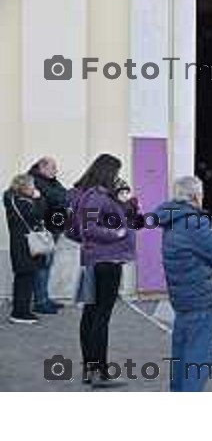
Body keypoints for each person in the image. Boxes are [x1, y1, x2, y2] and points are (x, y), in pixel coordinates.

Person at [156, 176, 212, 392]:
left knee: (182, 354)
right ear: (196, 196)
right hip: (201, 297)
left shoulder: (173, 219)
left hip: (182, 296)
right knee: (199, 359)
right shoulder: (194, 223)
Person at [69, 154, 136, 384]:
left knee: (91, 315)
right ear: (108, 172)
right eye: (116, 172)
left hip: (96, 261)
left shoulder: (93, 195)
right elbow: (88, 228)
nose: (118, 177)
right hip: (105, 262)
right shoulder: (97, 196)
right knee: (100, 317)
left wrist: (125, 201)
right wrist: (116, 233)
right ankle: (100, 372)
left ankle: (91, 370)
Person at [3, 174, 45, 324]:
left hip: (24, 244)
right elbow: (38, 214)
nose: (34, 189)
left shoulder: (14, 198)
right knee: (24, 278)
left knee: (25, 278)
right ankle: (19, 313)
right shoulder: (17, 201)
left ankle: (22, 310)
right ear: (23, 187)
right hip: (23, 245)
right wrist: (39, 198)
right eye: (32, 186)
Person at [28, 156, 67, 314]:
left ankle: (45, 298)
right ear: (42, 167)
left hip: (53, 227)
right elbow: (56, 197)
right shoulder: (35, 181)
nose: (56, 171)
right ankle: (40, 302)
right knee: (42, 266)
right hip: (44, 229)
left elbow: (64, 195)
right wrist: (60, 198)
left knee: (47, 265)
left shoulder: (51, 181)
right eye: (53, 168)